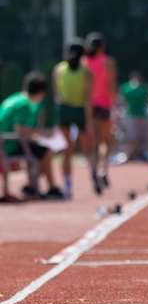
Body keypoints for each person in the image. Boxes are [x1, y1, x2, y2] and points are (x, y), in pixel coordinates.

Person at [0, 72, 64, 200]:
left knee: (36, 150)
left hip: (6, 142)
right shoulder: (24, 104)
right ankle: (47, 187)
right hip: (9, 144)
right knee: (46, 151)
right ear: (41, 92)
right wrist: (42, 133)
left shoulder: (15, 98)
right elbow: (18, 128)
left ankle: (32, 186)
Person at [52, 39, 99, 199]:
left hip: (64, 110)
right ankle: (93, 173)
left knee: (66, 151)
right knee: (89, 148)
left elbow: (56, 96)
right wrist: (88, 121)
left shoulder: (58, 69)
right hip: (79, 110)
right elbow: (87, 100)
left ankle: (67, 184)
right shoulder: (87, 73)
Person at [83, 32, 118, 190]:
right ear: (103, 46)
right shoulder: (108, 62)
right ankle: (103, 169)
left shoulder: (83, 62)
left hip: (88, 105)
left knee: (92, 143)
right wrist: (115, 107)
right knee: (106, 141)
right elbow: (111, 86)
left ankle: (93, 169)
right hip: (104, 105)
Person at [120, 71, 148, 160]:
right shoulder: (128, 88)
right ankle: (134, 151)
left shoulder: (141, 89)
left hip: (137, 115)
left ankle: (136, 152)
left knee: (137, 135)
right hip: (132, 115)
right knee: (133, 135)